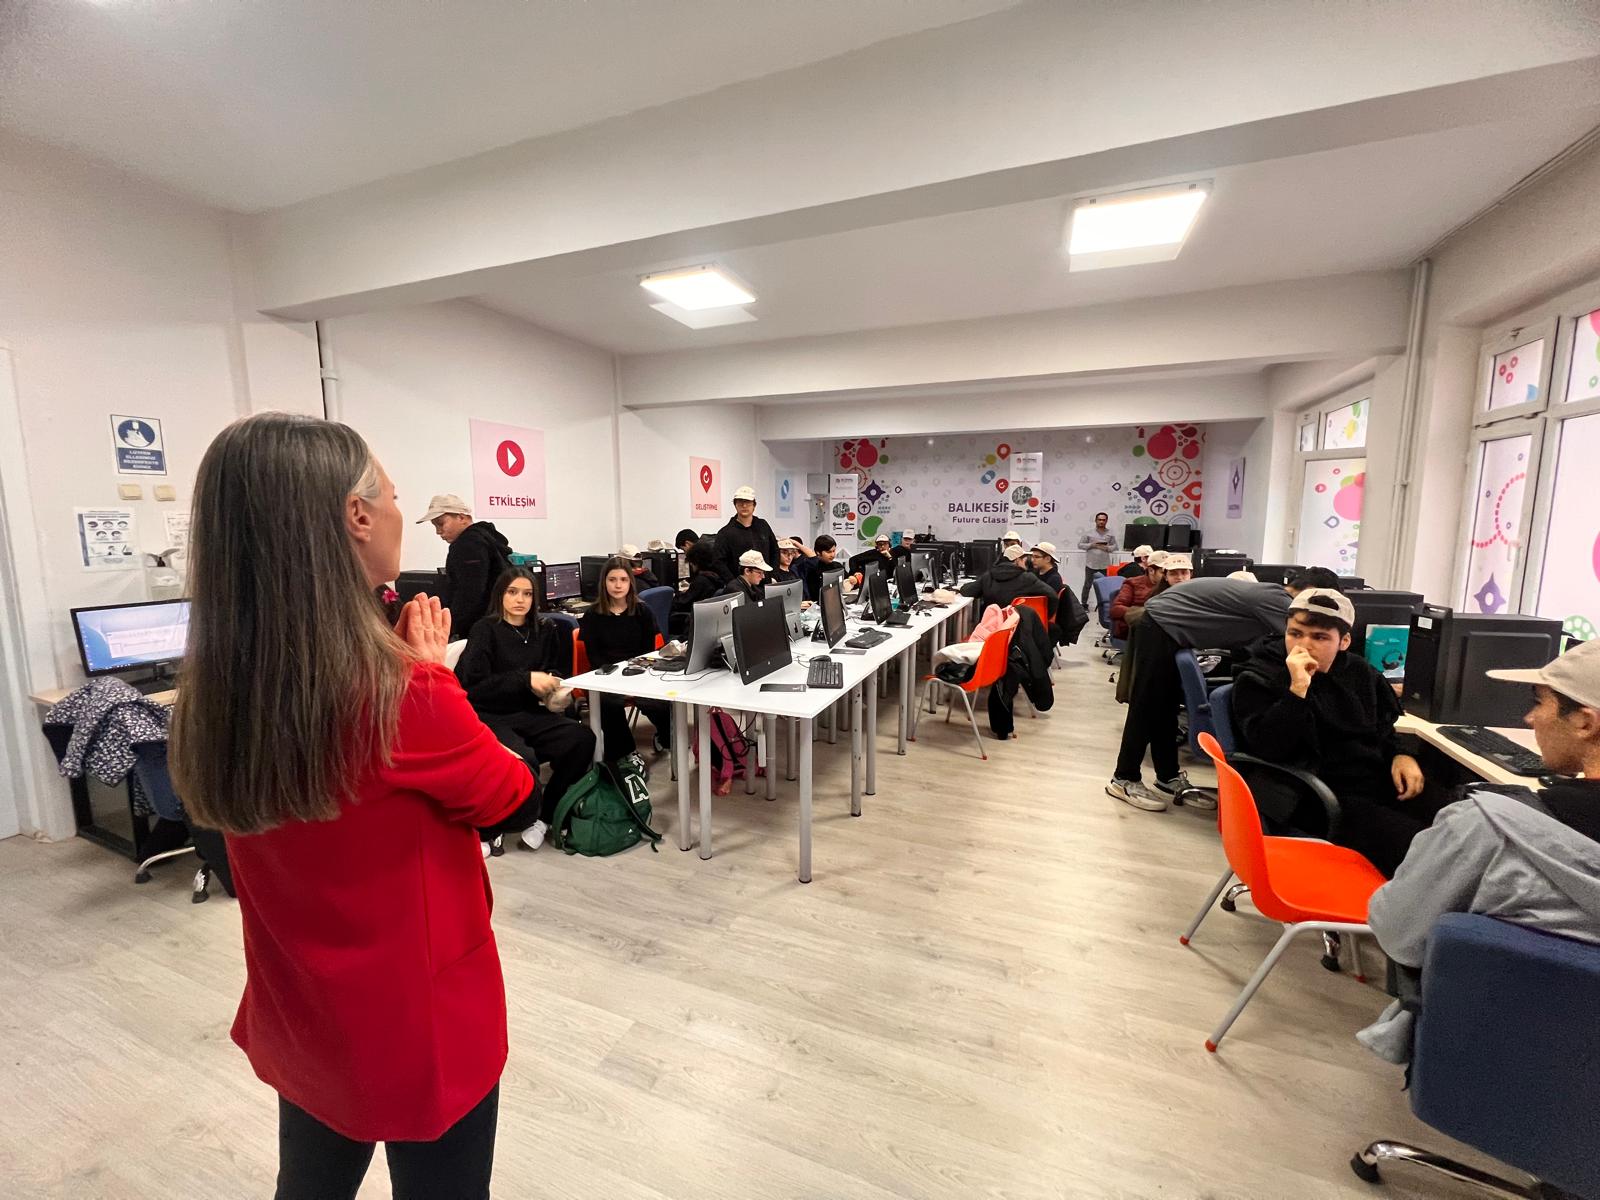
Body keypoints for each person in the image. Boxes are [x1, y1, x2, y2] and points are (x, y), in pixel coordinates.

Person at [170, 413, 533, 1197]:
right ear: (357, 516)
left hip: (302, 1009)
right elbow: (509, 793)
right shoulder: (403, 695)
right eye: (395, 497)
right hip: (418, 1025)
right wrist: (435, 679)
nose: (403, 513)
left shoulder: (217, 693)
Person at [1360, 638, 1600, 1063]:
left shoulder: (1484, 827)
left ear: (1585, 722)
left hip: (1485, 1061)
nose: (1529, 718)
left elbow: (1396, 931)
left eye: (1539, 702)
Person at [1231, 588, 1442, 876]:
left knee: (1455, 820)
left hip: (1374, 780)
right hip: (1315, 793)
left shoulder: (1359, 672)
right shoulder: (1259, 676)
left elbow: (1382, 728)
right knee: (1424, 850)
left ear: (1344, 642)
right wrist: (1297, 690)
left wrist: (1401, 755)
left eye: (1319, 637)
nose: (1303, 645)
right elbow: (1269, 747)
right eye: (1295, 633)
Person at [1107, 569, 1303, 813]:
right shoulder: (1281, 602)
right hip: (1161, 622)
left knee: (1166, 707)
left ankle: (1167, 776)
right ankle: (1123, 778)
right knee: (1147, 705)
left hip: (1169, 623)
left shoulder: (1271, 596)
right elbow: (1297, 645)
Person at [455, 567, 597, 854]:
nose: (520, 600)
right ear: (500, 595)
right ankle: (494, 826)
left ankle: (545, 816)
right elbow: (473, 687)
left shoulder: (544, 629)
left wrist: (554, 688)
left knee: (582, 739)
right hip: (490, 715)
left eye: (527, 594)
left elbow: (553, 669)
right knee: (524, 759)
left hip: (530, 712)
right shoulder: (485, 630)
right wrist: (525, 679)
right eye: (513, 592)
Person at [580, 557, 671, 758]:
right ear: (604, 582)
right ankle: (626, 753)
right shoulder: (592, 615)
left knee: (659, 702)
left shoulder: (643, 612)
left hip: (638, 673)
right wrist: (615, 676)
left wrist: (635, 673)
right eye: (612, 580)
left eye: (623, 579)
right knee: (607, 704)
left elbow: (646, 653)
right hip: (606, 675)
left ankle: (667, 738)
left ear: (631, 582)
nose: (618, 585)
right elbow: (594, 657)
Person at [418, 493, 513, 640]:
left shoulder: (467, 544)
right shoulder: (486, 538)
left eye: (441, 523)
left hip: (477, 630)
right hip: (498, 624)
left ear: (462, 518)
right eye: (435, 526)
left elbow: (470, 593)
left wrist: (449, 629)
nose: (438, 531)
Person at [961, 544, 1058, 621]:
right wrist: (1042, 618)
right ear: (1017, 560)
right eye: (1024, 560)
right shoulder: (1027, 578)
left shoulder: (988, 576)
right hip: (1017, 627)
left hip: (992, 627)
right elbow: (1053, 596)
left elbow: (967, 591)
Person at [715, 485, 780, 582]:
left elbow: (775, 551)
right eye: (740, 502)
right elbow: (719, 562)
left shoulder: (763, 526)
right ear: (735, 505)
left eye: (748, 502)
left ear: (754, 505)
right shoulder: (725, 533)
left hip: (766, 582)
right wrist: (735, 584)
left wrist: (773, 576)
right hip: (742, 585)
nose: (744, 506)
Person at [670, 540, 725, 638]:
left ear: (696, 562)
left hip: (693, 620)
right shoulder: (715, 577)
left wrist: (674, 596)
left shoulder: (701, 581)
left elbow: (681, 604)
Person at [1109, 551, 1166, 639]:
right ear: (1151, 570)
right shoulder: (1132, 583)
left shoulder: (1169, 585)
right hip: (1134, 631)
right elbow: (1116, 609)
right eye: (1163, 573)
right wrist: (1145, 614)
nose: (1166, 576)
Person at [1078, 511, 1118, 608]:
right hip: (1091, 564)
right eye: (1099, 520)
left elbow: (1115, 546)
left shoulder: (1110, 533)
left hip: (1104, 565)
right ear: (1096, 520)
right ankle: (1084, 604)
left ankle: (1105, 605)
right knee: (1087, 585)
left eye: (1103, 520)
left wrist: (1107, 548)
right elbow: (1080, 545)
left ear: (1106, 521)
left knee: (1105, 585)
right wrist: (1091, 545)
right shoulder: (1088, 533)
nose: (1101, 522)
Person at [796, 533, 839, 600]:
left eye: (834, 551)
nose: (833, 555)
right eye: (829, 552)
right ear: (818, 552)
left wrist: (853, 579)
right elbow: (812, 556)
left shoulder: (836, 565)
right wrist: (795, 543)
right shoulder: (812, 567)